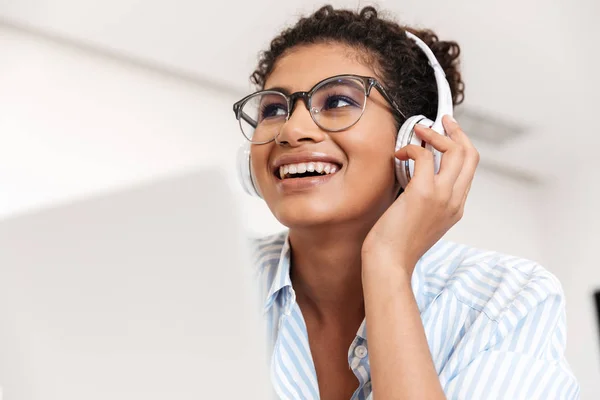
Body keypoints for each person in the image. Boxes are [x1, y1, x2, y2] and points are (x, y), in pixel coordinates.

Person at [233, 5, 579, 399]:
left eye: (337, 102)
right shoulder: (208, 274)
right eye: (274, 109)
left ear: (415, 141)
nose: (292, 130)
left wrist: (387, 264)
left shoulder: (506, 300)